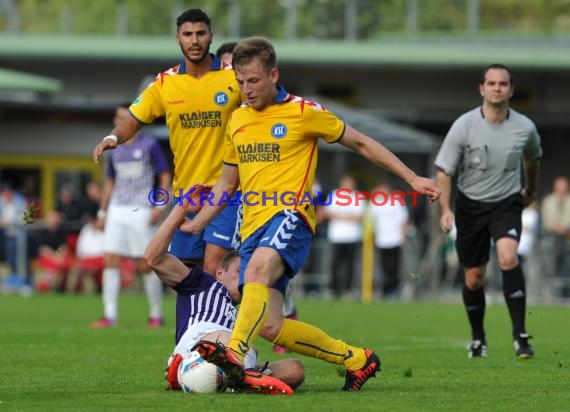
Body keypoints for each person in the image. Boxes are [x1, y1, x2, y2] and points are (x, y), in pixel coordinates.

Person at [179, 37, 440, 392]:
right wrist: (199, 221)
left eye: (254, 81)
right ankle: (356, 359)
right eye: (240, 82)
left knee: (254, 273)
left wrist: (411, 178)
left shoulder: (303, 112)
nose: (247, 89)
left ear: (274, 74)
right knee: (271, 326)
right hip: (253, 229)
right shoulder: (237, 119)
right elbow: (227, 181)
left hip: (291, 217)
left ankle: (234, 355)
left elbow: (361, 142)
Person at [92, 9, 242, 277]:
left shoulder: (234, 78)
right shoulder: (164, 83)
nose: (194, 40)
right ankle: (193, 320)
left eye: (200, 33)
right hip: (187, 195)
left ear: (211, 37)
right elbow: (134, 118)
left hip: (228, 191)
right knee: (182, 272)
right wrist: (112, 137)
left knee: (213, 267)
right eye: (187, 34)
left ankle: (221, 319)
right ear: (178, 39)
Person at [144, 193, 301, 395]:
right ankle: (238, 375)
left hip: (233, 359)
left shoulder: (245, 310)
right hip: (199, 350)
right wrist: (180, 210)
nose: (245, 280)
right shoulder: (200, 283)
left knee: (295, 369)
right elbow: (153, 258)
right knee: (232, 341)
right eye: (239, 272)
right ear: (220, 273)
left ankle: (239, 379)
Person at [434, 63, 542, 359]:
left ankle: (520, 336)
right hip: (469, 206)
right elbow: (444, 171)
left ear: (511, 90)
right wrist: (445, 209)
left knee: (508, 256)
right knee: (474, 279)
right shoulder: (463, 126)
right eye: (491, 83)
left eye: (503, 83)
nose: (497, 88)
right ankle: (478, 338)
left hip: (507, 202)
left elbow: (533, 159)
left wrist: (530, 190)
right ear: (482, 88)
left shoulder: (525, 127)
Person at [91, 103, 171, 328]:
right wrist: (102, 211)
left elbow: (165, 176)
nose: (120, 122)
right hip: (117, 207)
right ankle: (110, 315)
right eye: (117, 117)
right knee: (111, 259)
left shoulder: (150, 144)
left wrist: (159, 206)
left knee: (147, 262)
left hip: (142, 208)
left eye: (124, 117)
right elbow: (110, 182)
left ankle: (156, 314)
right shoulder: (113, 148)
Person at [324, 174, 364, 299]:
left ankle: (347, 290)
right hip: (336, 236)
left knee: (350, 265)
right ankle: (333, 289)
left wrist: (340, 216)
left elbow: (358, 217)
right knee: (335, 264)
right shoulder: (334, 195)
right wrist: (347, 216)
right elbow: (327, 213)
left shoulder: (358, 197)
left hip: (353, 236)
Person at [369, 181, 410, 298]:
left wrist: (403, 236)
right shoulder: (375, 203)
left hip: (395, 239)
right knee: (383, 266)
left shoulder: (397, 202)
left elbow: (403, 220)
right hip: (381, 239)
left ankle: (394, 289)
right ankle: (385, 289)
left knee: (395, 265)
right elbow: (370, 220)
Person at [540, 176, 570, 293]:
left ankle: (565, 290)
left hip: (567, 238)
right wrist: (555, 226)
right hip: (550, 238)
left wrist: (564, 227)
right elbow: (546, 220)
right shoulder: (548, 201)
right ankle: (551, 290)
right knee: (550, 264)